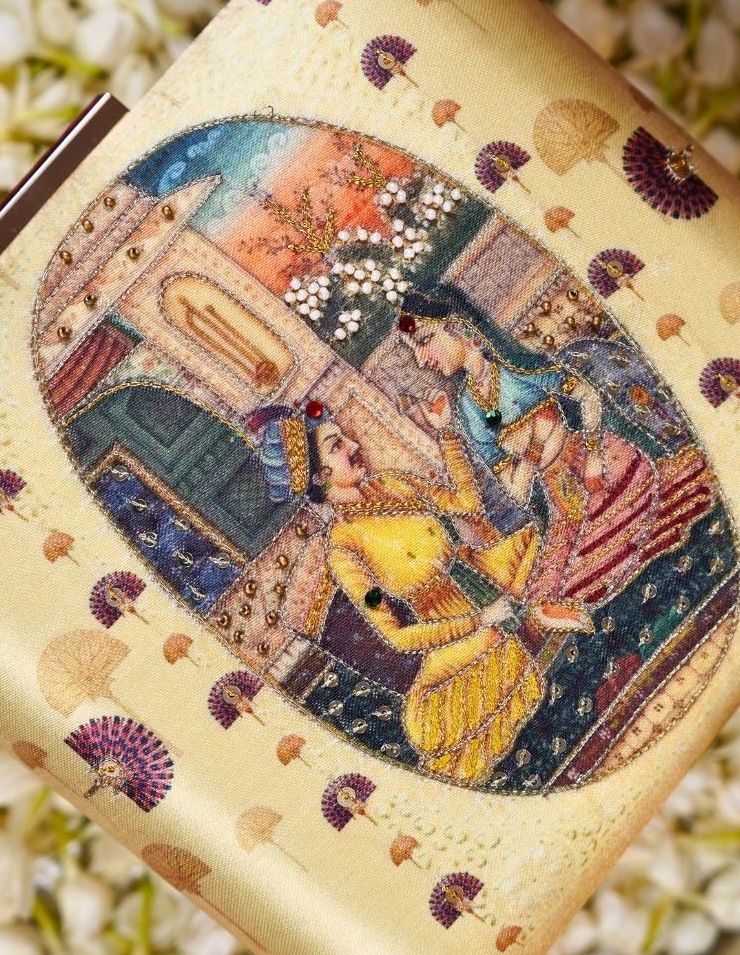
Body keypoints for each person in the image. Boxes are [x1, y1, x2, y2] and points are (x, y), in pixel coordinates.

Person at [248, 402, 592, 786]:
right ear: (321, 476)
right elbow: (397, 636)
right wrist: (481, 619)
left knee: (543, 541)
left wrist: (446, 433)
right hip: (453, 627)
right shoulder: (343, 549)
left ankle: (534, 612)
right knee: (431, 721)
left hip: (484, 570)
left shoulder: (393, 485)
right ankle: (532, 616)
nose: (354, 444)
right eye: (337, 445)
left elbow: (467, 503)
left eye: (344, 437)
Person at [396, 293, 715, 608]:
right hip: (563, 504)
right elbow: (517, 493)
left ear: (460, 328)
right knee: (560, 591)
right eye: (414, 351)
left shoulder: (516, 367)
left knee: (636, 530)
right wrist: (536, 444)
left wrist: (592, 456)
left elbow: (588, 396)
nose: (422, 360)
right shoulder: (468, 411)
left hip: (599, 467)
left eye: (424, 341)